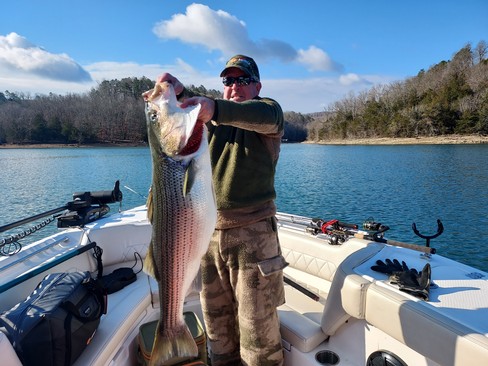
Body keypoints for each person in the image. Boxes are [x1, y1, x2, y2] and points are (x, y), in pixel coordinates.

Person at [157, 55, 287, 366]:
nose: (235, 87)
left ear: (257, 86)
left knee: (258, 338)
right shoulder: (208, 125)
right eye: (228, 81)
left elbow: (264, 114)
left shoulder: (267, 114)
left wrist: (214, 107)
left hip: (253, 236)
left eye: (243, 80)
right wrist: (176, 94)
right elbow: (189, 117)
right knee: (217, 333)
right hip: (206, 236)